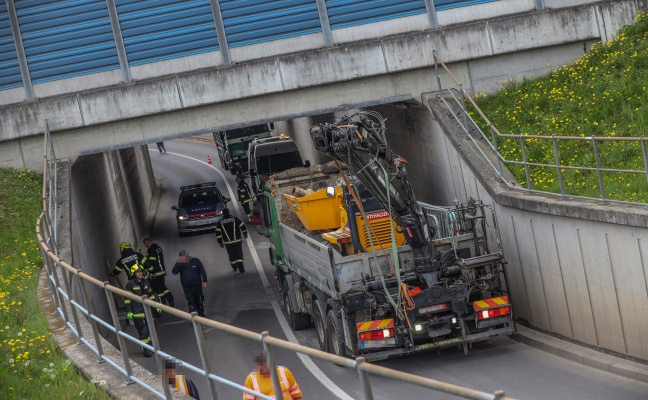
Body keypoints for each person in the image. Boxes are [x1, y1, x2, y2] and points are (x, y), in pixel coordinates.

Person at [124, 264, 161, 357]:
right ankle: (146, 350)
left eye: (141, 271)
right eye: (138, 272)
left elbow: (151, 295)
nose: (140, 273)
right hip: (137, 312)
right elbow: (127, 299)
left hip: (147, 311)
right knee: (143, 331)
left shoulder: (146, 282)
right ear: (133, 273)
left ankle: (152, 347)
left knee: (152, 329)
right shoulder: (130, 284)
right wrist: (128, 311)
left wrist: (156, 306)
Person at [172, 250, 207, 317]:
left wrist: (204, 281)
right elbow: (174, 272)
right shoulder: (180, 264)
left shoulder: (196, 261)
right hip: (187, 288)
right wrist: (179, 263)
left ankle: (200, 314)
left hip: (197, 286)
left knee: (199, 301)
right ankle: (194, 316)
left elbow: (202, 271)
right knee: (191, 302)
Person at [215, 207, 248, 273]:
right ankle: (241, 269)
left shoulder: (220, 222)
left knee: (231, 255)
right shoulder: (235, 219)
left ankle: (234, 267)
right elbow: (242, 225)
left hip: (228, 243)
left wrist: (220, 242)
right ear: (229, 212)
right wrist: (245, 233)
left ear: (223, 214)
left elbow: (218, 232)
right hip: (237, 241)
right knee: (239, 254)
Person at [143, 238, 175, 307]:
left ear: (151, 241)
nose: (146, 245)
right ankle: (170, 300)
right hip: (161, 272)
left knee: (158, 289)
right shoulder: (158, 248)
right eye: (145, 244)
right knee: (163, 286)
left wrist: (145, 262)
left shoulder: (151, 250)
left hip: (156, 273)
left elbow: (152, 261)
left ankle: (163, 304)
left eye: (147, 243)